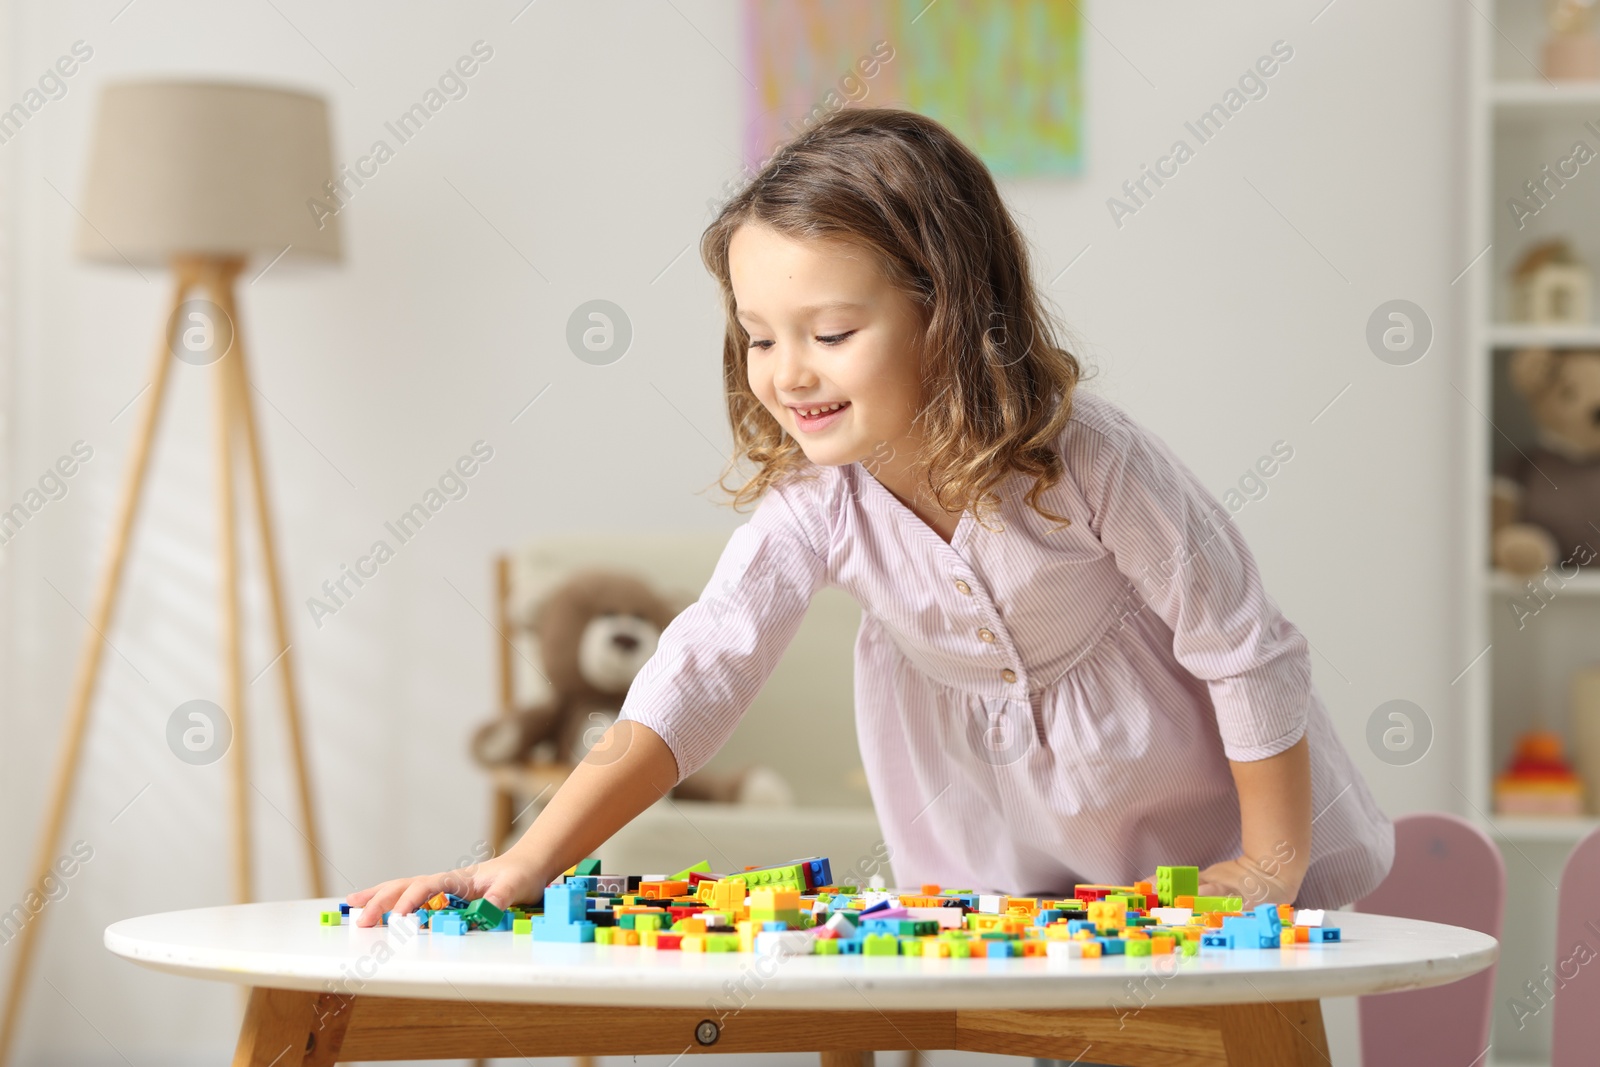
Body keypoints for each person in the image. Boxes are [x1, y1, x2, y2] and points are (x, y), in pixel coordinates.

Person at [347, 106, 1392, 928]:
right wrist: (527, 860)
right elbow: (700, 669)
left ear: (947, 310)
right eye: (758, 336)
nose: (786, 372)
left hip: (1204, 823)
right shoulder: (817, 504)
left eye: (831, 330)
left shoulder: (1087, 460)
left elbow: (1244, 646)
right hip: (1009, 855)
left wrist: (1265, 861)